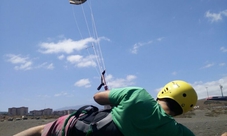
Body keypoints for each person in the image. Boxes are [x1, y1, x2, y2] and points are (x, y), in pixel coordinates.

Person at [14, 80, 197, 136]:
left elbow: (97, 98)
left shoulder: (138, 95)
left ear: (164, 91)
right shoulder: (178, 132)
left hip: (76, 131)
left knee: (40, 131)